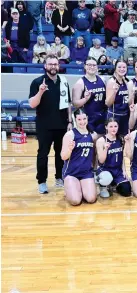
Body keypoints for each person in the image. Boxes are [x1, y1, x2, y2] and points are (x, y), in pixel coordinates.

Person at [29, 55, 72, 194]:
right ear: (45, 66)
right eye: (50, 64)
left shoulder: (63, 81)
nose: (53, 66)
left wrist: (70, 121)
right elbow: (32, 104)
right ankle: (42, 181)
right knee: (43, 154)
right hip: (44, 125)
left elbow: (68, 104)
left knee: (61, 154)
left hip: (61, 124)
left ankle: (59, 177)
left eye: (55, 64)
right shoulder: (37, 82)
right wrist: (40, 92)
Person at [61, 109, 96, 206]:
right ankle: (70, 187)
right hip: (71, 172)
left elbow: (94, 155)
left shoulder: (92, 135)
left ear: (87, 118)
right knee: (75, 201)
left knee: (91, 199)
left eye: (84, 119)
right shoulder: (70, 135)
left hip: (86, 172)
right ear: (75, 120)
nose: (82, 122)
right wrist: (70, 149)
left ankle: (80, 187)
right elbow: (63, 157)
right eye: (79, 119)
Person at [95, 117, 132, 198]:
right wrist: (105, 149)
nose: (113, 129)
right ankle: (102, 185)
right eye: (111, 126)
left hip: (117, 171)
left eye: (115, 126)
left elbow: (124, 156)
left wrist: (124, 170)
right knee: (106, 180)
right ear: (106, 127)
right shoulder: (101, 141)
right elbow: (101, 161)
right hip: (105, 169)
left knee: (127, 191)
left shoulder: (121, 139)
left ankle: (113, 185)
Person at [72, 57, 106, 136]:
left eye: (94, 65)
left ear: (97, 67)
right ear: (85, 66)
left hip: (102, 116)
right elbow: (75, 104)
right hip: (89, 119)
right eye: (89, 65)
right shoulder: (80, 83)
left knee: (101, 143)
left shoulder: (102, 79)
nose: (92, 67)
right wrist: (85, 99)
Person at [105, 60, 133, 136]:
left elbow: (130, 103)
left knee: (125, 140)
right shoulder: (111, 81)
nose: (122, 69)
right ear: (115, 68)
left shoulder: (128, 82)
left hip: (125, 116)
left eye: (124, 67)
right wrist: (114, 92)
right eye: (119, 67)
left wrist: (132, 93)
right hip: (114, 116)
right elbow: (107, 103)